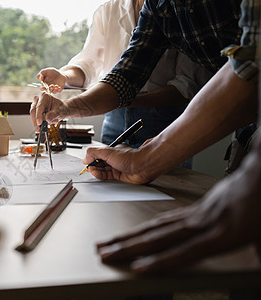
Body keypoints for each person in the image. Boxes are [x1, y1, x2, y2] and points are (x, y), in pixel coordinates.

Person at [95, 0, 260, 276]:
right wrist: (142, 162)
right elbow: (250, 64)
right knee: (240, 258)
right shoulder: (157, 6)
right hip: (249, 128)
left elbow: (252, 67)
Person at [30, 0, 249, 184]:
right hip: (246, 125)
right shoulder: (158, 7)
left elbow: (247, 74)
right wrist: (66, 107)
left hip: (169, 116)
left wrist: (148, 158)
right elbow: (125, 76)